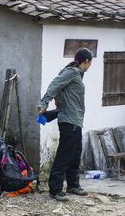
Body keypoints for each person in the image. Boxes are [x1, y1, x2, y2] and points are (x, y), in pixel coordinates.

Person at [38, 48, 93, 202]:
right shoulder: (72, 72)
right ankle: (55, 189)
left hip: (75, 120)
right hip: (69, 121)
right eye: (90, 63)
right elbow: (55, 85)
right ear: (86, 61)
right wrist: (44, 102)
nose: (90, 66)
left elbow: (63, 91)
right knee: (65, 154)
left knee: (75, 154)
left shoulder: (76, 74)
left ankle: (73, 185)